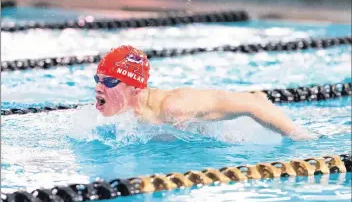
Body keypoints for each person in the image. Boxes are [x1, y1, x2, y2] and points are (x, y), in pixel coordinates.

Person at [94, 45, 314, 140]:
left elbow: (252, 103)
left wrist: (299, 137)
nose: (98, 87)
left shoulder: (176, 106)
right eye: (98, 80)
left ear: (136, 87)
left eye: (109, 81)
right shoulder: (124, 115)